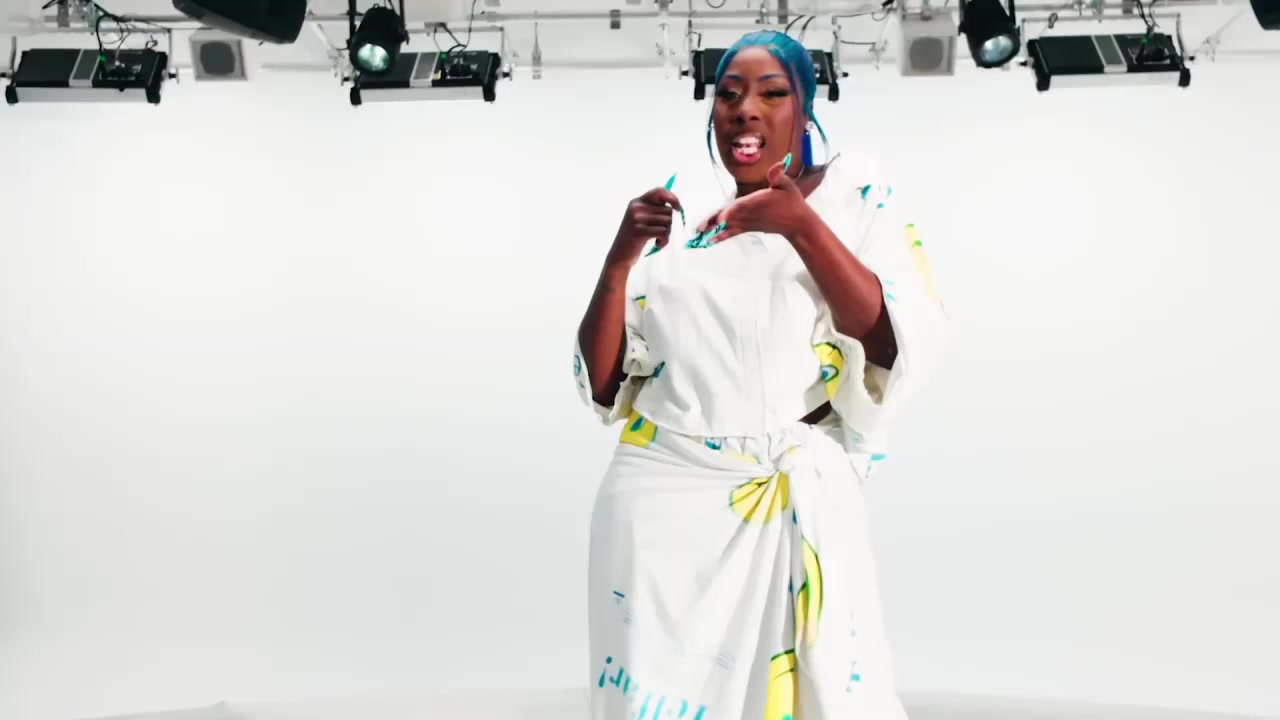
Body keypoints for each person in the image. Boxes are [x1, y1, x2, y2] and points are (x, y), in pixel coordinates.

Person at [572, 29, 946, 720]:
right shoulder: (681, 223)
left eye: (772, 93)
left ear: (805, 109)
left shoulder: (855, 198)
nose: (746, 109)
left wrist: (800, 227)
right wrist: (620, 259)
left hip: (795, 490)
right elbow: (602, 386)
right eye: (729, 94)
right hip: (660, 509)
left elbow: (891, 345)